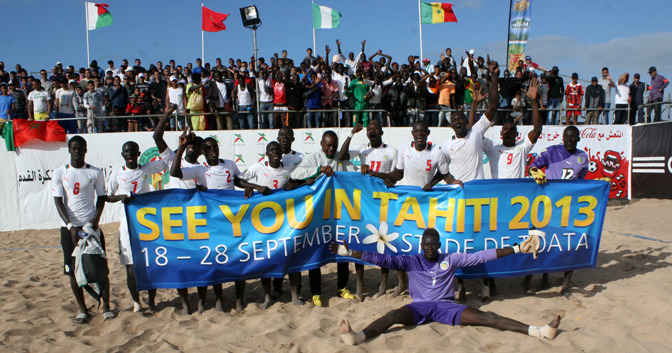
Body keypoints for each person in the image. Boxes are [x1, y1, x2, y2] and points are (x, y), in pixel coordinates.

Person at [330, 228, 560, 346]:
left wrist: (518, 248)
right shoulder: (412, 260)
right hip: (420, 307)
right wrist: (350, 253)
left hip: (446, 307)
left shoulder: (451, 258)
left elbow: (482, 256)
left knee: (489, 318)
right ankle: (359, 336)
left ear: (439, 245)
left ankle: (538, 331)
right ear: (421, 245)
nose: (430, 248)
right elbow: (383, 259)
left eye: (434, 245)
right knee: (394, 314)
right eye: (426, 245)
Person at [170, 133, 269, 312]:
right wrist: (182, 148)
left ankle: (239, 301)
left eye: (214, 146)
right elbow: (175, 173)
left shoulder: (229, 164)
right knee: (216, 262)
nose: (212, 150)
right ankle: (218, 300)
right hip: (212, 223)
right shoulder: (200, 169)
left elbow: (238, 180)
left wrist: (253, 187)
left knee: (239, 259)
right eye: (208, 148)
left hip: (232, 222)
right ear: (203, 151)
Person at [442, 57, 499, 302]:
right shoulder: (446, 146)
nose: (457, 122)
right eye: (453, 120)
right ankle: (460, 286)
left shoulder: (476, 132)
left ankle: (486, 288)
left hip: (481, 196)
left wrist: (494, 77)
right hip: (457, 200)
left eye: (460, 119)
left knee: (484, 242)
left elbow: (494, 105)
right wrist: (451, 181)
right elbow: (441, 172)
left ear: (465, 121)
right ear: (450, 125)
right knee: (458, 246)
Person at [290, 130, 359, 306]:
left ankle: (342, 287)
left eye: (334, 146)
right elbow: (295, 174)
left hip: (339, 213)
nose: (331, 149)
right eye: (328, 145)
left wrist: (363, 171)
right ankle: (316, 292)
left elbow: (355, 174)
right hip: (318, 214)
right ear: (321, 144)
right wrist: (318, 171)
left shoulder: (340, 158)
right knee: (316, 251)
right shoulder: (313, 158)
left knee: (341, 248)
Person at [337, 121, 403, 299]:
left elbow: (397, 176)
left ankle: (383, 284)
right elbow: (341, 156)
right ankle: (359, 285)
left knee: (384, 244)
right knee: (358, 242)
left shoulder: (392, 151)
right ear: (367, 134)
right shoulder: (362, 148)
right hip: (364, 204)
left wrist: (379, 175)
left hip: (383, 204)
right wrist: (351, 133)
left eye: (375, 128)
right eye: (369, 129)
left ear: (381, 131)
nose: (372, 131)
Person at [52, 136, 114, 324]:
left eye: (80, 148)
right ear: (69, 150)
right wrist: (70, 226)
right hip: (69, 229)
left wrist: (94, 220)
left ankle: (106, 307)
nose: (77, 151)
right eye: (74, 148)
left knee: (100, 269)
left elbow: (101, 198)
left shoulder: (95, 172)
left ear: (86, 150)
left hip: (90, 228)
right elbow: (58, 201)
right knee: (72, 271)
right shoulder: (59, 172)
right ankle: (83, 309)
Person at [153, 107, 208, 314]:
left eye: (196, 146)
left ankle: (202, 302)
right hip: (174, 221)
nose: (192, 148)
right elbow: (156, 136)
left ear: (201, 151)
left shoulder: (202, 169)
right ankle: (185, 304)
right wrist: (166, 114)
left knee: (201, 264)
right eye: (190, 145)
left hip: (196, 221)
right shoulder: (171, 158)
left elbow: (206, 193)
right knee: (179, 267)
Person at [106, 141, 168, 314]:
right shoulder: (117, 173)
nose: (130, 154)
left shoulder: (146, 169)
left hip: (147, 225)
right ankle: (136, 303)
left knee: (150, 263)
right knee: (131, 267)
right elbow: (107, 196)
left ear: (139, 153)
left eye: (133, 151)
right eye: (126, 151)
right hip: (127, 226)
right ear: (122, 154)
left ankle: (152, 301)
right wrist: (121, 197)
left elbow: (166, 160)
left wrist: (180, 147)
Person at [239, 141, 302, 308]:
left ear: (282, 152)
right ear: (266, 153)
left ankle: (295, 296)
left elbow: (305, 180)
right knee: (266, 258)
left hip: (287, 221)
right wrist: (255, 187)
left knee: (292, 256)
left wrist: (295, 183)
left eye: (277, 150)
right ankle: (267, 298)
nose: (275, 153)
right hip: (264, 223)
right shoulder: (258, 167)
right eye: (271, 150)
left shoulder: (289, 168)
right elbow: (239, 180)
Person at [529, 125, 589, 296]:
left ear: (578, 138)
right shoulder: (551, 151)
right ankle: (545, 277)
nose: (569, 139)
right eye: (566, 136)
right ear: (562, 138)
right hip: (549, 205)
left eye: (573, 136)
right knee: (547, 242)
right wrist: (535, 173)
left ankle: (567, 282)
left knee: (570, 244)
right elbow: (533, 166)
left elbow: (582, 182)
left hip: (570, 207)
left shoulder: (582, 157)